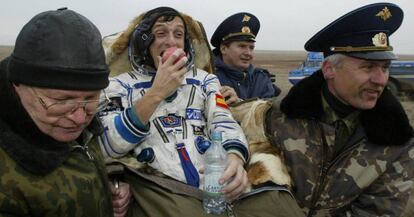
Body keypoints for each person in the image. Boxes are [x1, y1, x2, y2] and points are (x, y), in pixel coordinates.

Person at [98, 6, 304, 217]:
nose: (171, 41)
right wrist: (157, 92)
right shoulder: (118, 86)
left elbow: (223, 121)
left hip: (215, 181)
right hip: (162, 187)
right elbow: (107, 145)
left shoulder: (204, 80)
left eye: (179, 34)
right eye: (161, 33)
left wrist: (234, 158)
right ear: (144, 42)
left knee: (280, 206)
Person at [256, 3, 414, 216]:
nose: (380, 80)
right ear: (329, 69)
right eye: (367, 67)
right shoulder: (279, 117)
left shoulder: (397, 141)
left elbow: (380, 211)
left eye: (385, 68)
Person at [0, 8, 130, 216]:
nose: (80, 119)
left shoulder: (69, 119)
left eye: (91, 98)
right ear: (17, 85)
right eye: (61, 100)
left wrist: (107, 188)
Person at [210, 12, 281, 104]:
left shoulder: (261, 79)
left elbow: (268, 114)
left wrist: (239, 103)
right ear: (223, 49)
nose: (248, 53)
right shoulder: (209, 77)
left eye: (251, 48)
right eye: (242, 46)